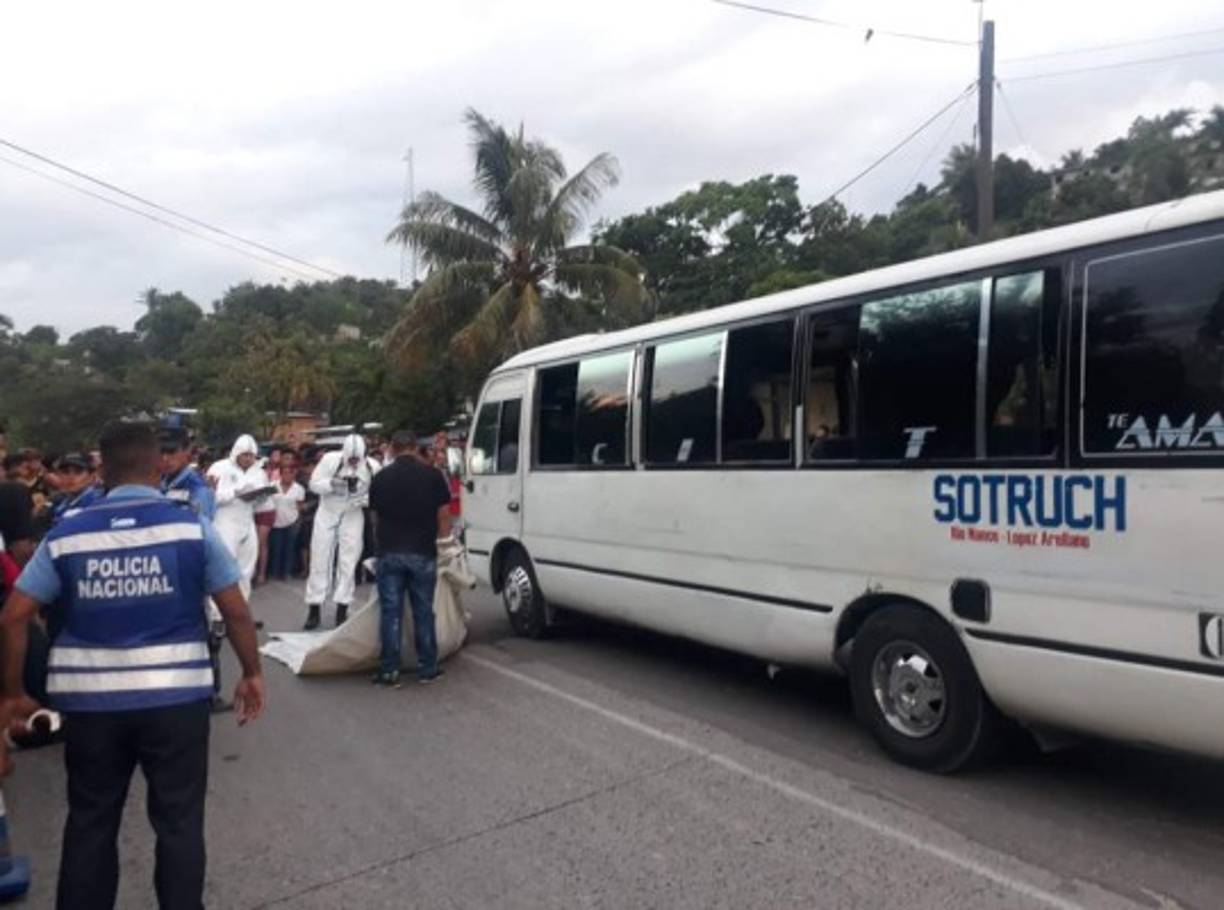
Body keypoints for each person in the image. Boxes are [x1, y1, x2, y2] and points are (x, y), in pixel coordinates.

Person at [0, 420, 265, 910]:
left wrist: (13, 692)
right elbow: (236, 610)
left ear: (102, 471)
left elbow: (14, 615)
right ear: (155, 466)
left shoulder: (67, 534)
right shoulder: (191, 528)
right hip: (176, 699)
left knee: (91, 819)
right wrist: (251, 673)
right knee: (179, 821)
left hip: (90, 706)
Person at [368, 431, 452, 687]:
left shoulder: (381, 477)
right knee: (424, 611)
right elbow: (444, 516)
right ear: (415, 448)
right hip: (422, 551)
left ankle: (390, 670)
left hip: (390, 551)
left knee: (390, 612)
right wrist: (443, 542)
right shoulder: (433, 476)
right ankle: (427, 667)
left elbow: (375, 518)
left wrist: (379, 544)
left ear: (392, 449)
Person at [160, 428, 228, 713]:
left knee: (199, 630)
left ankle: (210, 691)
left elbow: (200, 527)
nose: (165, 458)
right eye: (161, 452)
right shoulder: (158, 483)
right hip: (161, 564)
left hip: (186, 565)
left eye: (172, 452)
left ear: (186, 453)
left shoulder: (197, 487)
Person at [303, 434, 377, 630]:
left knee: (348, 561)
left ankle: (342, 608)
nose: (353, 462)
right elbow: (313, 483)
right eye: (350, 459)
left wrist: (365, 500)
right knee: (320, 558)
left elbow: (380, 492)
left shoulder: (372, 466)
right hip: (328, 511)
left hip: (353, 513)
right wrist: (332, 484)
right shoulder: (329, 460)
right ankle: (314, 607)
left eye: (356, 459)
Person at [206, 435, 270, 605]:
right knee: (223, 570)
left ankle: (241, 611)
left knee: (246, 569)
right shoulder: (219, 468)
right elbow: (209, 497)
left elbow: (261, 504)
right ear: (236, 453)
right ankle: (217, 617)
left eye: (251, 455)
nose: (248, 459)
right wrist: (235, 492)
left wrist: (262, 496)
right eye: (245, 455)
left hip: (247, 521)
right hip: (224, 522)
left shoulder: (259, 472)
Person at [267, 451, 305, 581]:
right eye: (285, 472)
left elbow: (299, 507)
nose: (288, 475)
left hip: (292, 522)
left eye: (291, 472)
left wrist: (298, 523)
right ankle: (274, 573)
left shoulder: (299, 489)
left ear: (294, 474)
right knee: (276, 549)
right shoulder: (272, 486)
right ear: (281, 473)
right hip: (276, 522)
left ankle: (287, 573)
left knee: (290, 549)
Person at [49, 453, 105, 525]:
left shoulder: (98, 502)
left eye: (78, 472)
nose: (71, 477)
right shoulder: (59, 503)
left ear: (91, 476)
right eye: (65, 472)